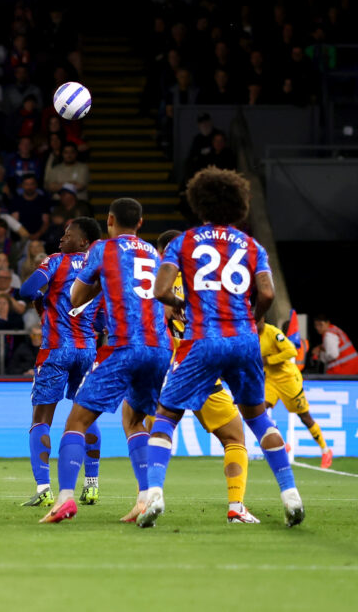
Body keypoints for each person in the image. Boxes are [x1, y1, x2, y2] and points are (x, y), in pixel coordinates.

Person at [141, 168, 304, 529]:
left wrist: (182, 305)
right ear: (239, 205)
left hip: (202, 340)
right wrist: (257, 319)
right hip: (245, 340)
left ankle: (153, 494)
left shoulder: (182, 242)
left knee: (165, 416)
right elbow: (267, 294)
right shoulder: (252, 246)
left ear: (198, 203)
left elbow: (161, 291)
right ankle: (290, 494)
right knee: (259, 417)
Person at [40, 199, 172, 524]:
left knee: (77, 422)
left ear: (110, 220)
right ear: (140, 224)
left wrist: (100, 283)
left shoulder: (103, 249)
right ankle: (145, 498)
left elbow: (75, 297)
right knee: (135, 420)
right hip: (159, 347)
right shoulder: (155, 255)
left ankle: (66, 499)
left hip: (124, 344)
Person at [155, 229, 261, 524]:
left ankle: (149, 497)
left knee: (150, 431)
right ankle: (236, 506)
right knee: (234, 438)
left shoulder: (154, 282)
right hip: (198, 367)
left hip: (162, 373)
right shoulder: (201, 282)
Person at [17, 217, 103, 508]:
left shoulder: (56, 261)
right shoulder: (99, 270)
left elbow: (26, 290)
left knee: (41, 420)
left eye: (68, 235)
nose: (61, 240)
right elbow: (103, 320)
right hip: (88, 351)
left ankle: (43, 489)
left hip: (56, 349)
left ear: (83, 242)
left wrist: (43, 301)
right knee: (85, 416)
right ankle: (91, 486)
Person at [261, 320, 333, 468]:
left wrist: (269, 360)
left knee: (304, 416)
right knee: (259, 412)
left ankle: (325, 450)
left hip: (288, 380)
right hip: (271, 380)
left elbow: (292, 351)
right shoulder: (251, 334)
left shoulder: (273, 333)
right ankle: (280, 442)